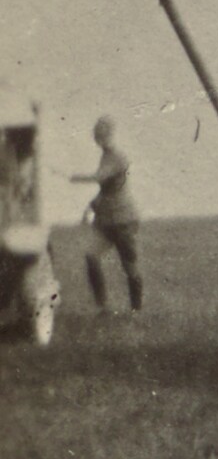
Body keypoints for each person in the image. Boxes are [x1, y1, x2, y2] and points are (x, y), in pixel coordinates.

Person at [69, 116, 143, 312]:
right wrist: (90, 206)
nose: (100, 140)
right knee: (91, 257)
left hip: (124, 220)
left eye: (103, 135)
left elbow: (101, 178)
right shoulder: (105, 156)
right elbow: (106, 189)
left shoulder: (118, 157)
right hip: (106, 221)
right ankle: (103, 306)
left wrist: (74, 177)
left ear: (110, 135)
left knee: (130, 267)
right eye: (98, 136)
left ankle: (137, 311)